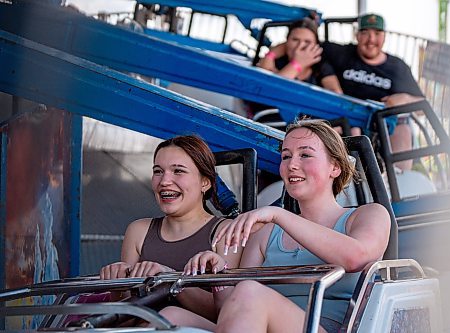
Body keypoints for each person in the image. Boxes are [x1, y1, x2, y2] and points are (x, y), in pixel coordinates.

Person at [184, 120, 391, 332]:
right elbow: (234, 308)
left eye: (305, 155)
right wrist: (219, 275)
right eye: (286, 156)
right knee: (171, 316)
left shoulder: (368, 214)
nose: (292, 164)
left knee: (250, 292)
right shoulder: (266, 233)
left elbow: (355, 258)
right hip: (262, 324)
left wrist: (279, 214)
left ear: (335, 167)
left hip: (330, 327)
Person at [99, 135, 239, 329]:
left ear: (205, 182)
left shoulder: (225, 232)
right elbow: (127, 317)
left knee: (170, 317)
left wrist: (169, 279)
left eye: (178, 171)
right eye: (158, 171)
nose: (164, 181)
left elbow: (226, 314)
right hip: (140, 328)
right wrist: (117, 285)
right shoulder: (138, 231)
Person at [321, 13, 425, 170]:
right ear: (357, 35)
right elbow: (304, 41)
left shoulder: (397, 67)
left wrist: (403, 99)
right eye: (365, 33)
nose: (371, 40)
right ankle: (356, 181)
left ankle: (398, 186)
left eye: (377, 34)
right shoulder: (342, 53)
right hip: (347, 122)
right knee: (350, 129)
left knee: (402, 129)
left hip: (385, 125)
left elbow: (422, 107)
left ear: (384, 37)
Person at [257, 17, 342, 93]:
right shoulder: (275, 62)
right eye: (295, 40)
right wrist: (297, 64)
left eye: (307, 42)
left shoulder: (321, 67)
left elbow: (336, 94)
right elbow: (270, 89)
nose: (300, 46)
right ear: (286, 41)